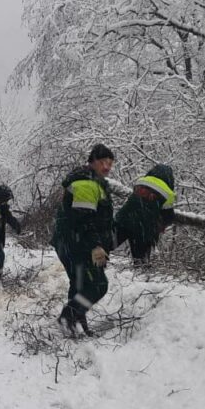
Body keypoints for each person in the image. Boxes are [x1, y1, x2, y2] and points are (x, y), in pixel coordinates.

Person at [51, 144, 116, 337]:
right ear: (93, 161)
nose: (107, 167)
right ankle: (68, 317)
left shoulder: (93, 182)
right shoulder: (86, 184)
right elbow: (84, 219)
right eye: (103, 162)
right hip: (76, 243)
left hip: (71, 242)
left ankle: (77, 323)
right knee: (98, 285)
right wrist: (96, 246)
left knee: (80, 284)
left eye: (110, 163)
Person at [114, 164, 176, 264]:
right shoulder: (168, 193)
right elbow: (168, 216)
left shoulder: (141, 182)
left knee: (108, 243)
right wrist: (161, 226)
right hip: (144, 227)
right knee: (140, 260)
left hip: (125, 218)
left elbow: (132, 202)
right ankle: (141, 270)